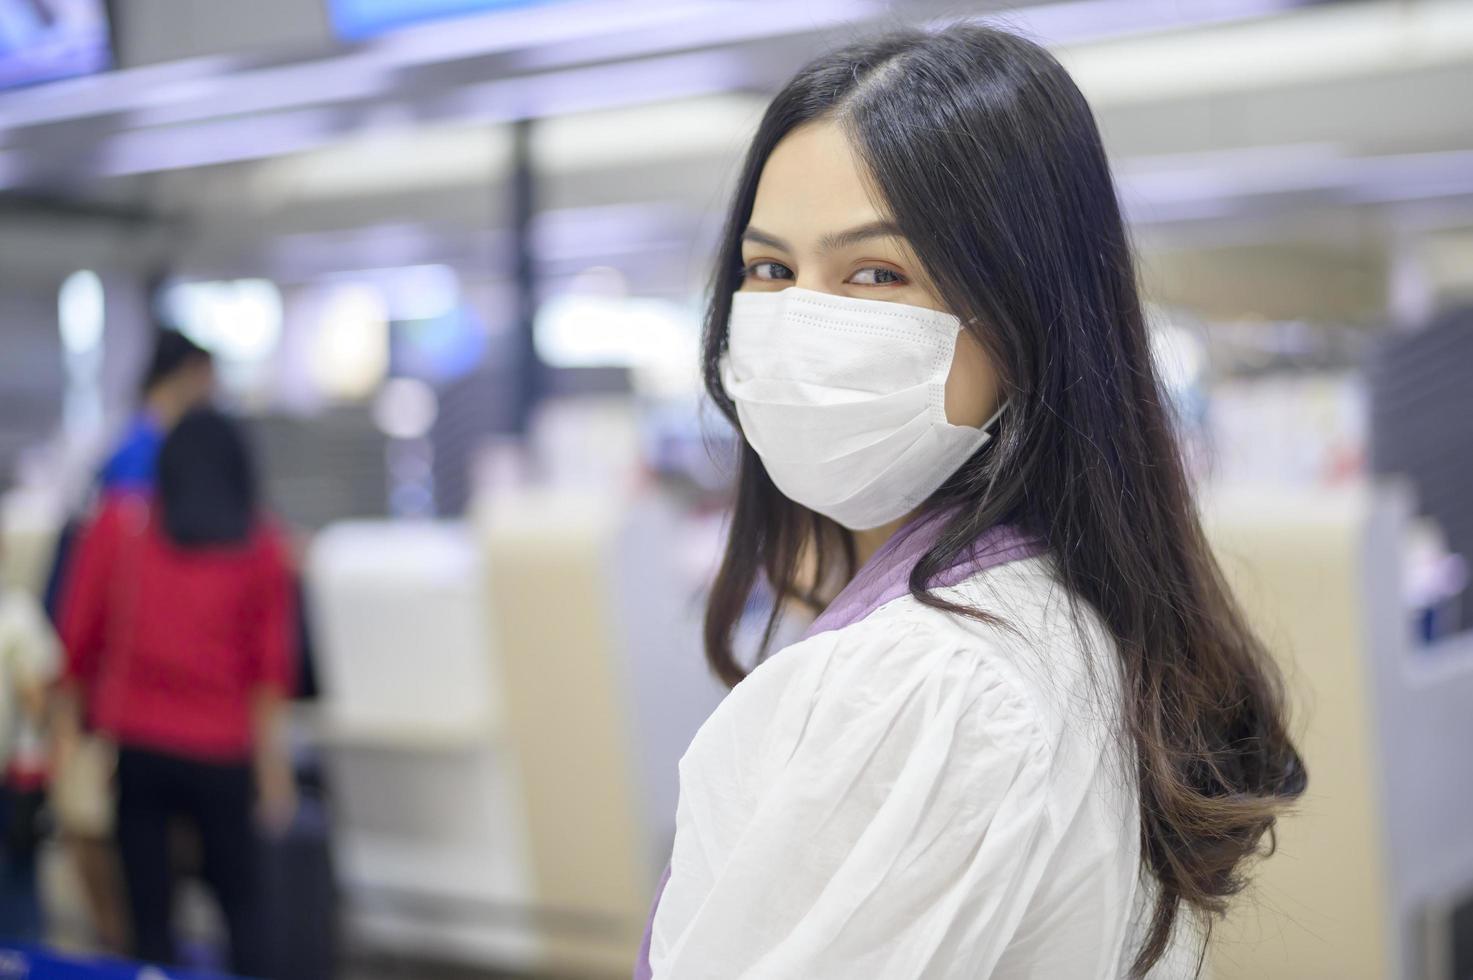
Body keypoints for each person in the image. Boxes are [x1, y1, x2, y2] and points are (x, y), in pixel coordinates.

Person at [636, 23, 1307, 980]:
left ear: (1023, 315)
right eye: (770, 270)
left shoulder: (919, 684)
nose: (801, 323)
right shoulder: (1065, 617)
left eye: (876, 274)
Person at [55, 407, 297, 974]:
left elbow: (78, 638)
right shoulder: (261, 545)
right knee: (243, 908)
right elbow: (269, 670)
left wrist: (65, 734)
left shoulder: (122, 528)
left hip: (140, 749)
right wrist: (273, 771)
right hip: (223, 752)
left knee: (148, 917)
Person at [40, 327, 215, 956]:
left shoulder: (137, 448)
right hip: (124, 681)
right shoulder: (143, 457)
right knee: (107, 828)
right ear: (191, 375)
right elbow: (115, 584)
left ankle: (132, 945)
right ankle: (128, 949)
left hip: (118, 678)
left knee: (115, 830)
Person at [0, 564, 61, 943]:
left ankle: (24, 954)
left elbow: (39, 694)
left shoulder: (17, 612)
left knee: (18, 876)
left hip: (17, 770)